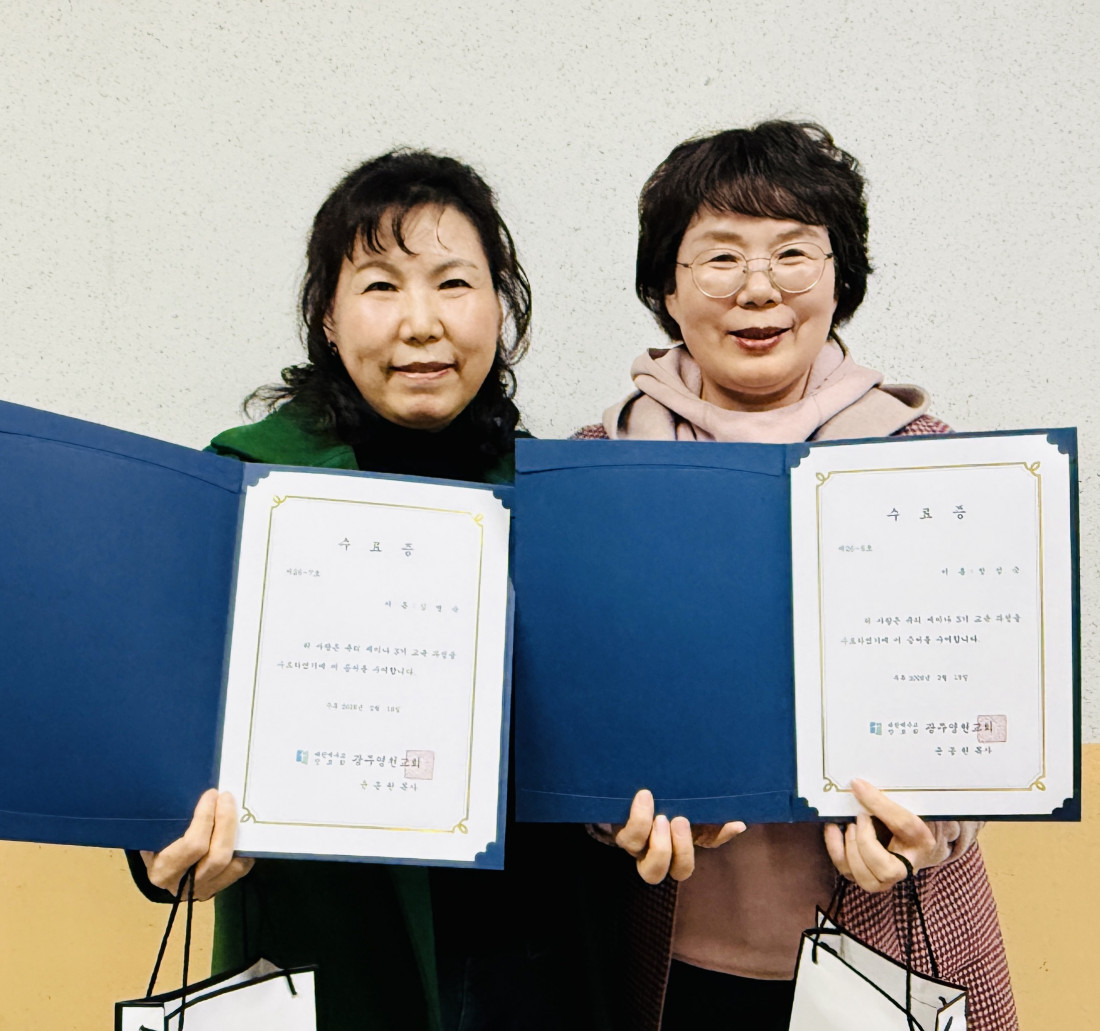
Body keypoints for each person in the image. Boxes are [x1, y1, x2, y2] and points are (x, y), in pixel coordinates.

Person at [127, 149, 610, 1031]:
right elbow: (162, 719)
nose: (421, 324)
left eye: (454, 284)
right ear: (327, 314)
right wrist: (160, 846)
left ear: (501, 306)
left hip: (530, 960)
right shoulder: (244, 485)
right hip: (325, 949)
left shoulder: (556, 494)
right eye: (381, 286)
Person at [574, 121, 1017, 1031]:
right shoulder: (596, 468)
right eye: (720, 256)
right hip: (662, 957)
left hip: (897, 944)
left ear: (838, 276)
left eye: (792, 252)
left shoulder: (931, 462)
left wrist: (937, 824)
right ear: (666, 286)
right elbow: (572, 716)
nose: (759, 287)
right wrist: (610, 814)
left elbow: (985, 711)